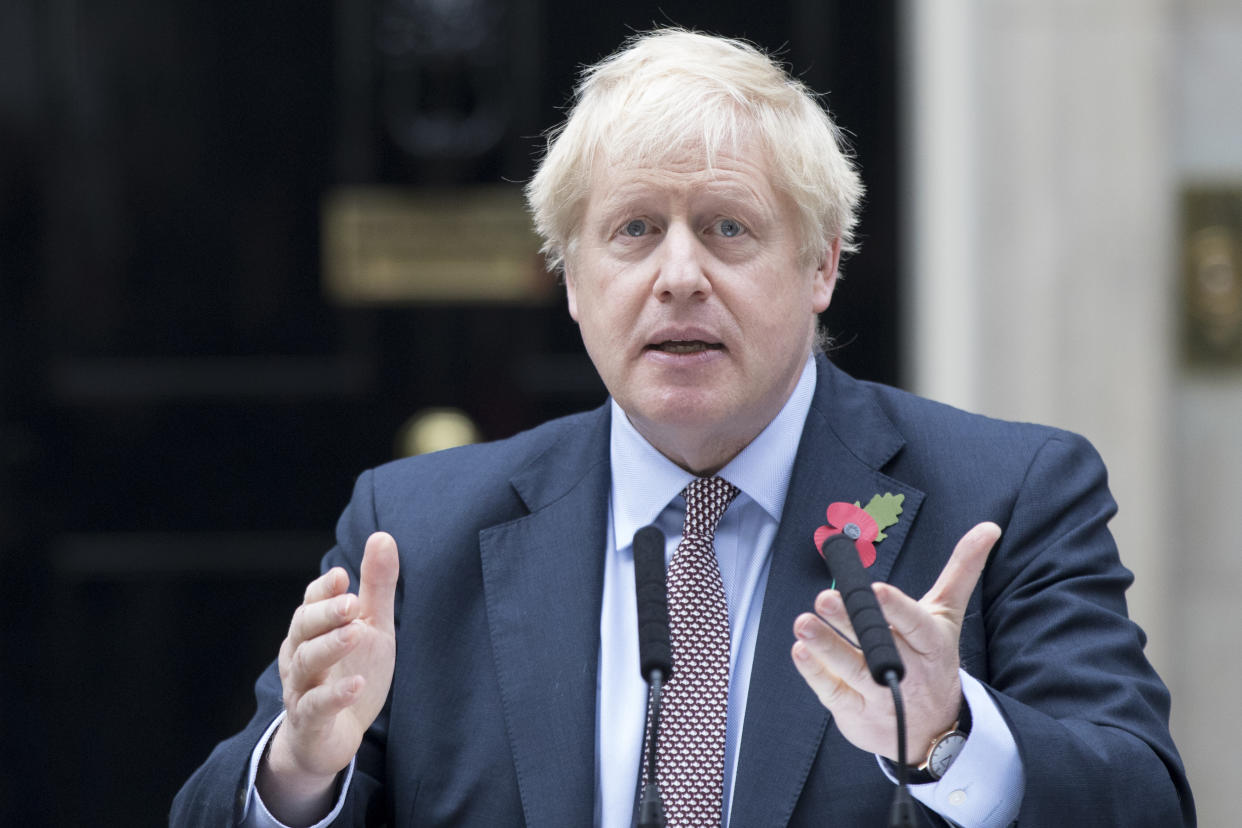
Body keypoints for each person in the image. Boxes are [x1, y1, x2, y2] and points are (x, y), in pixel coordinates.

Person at [172, 28, 1195, 827]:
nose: (677, 276)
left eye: (728, 228)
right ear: (571, 280)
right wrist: (303, 770)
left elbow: (1145, 804)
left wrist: (952, 737)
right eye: (632, 231)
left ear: (823, 266)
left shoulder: (1007, 494)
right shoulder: (416, 529)